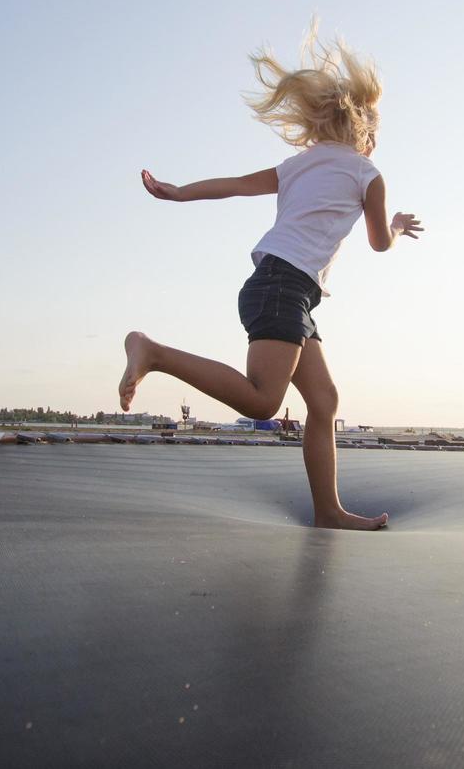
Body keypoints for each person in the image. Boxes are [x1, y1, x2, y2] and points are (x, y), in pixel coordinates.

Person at [119, 28, 423, 530]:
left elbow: (236, 186)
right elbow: (378, 243)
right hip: (284, 287)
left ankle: (328, 510)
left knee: (323, 400)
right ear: (364, 130)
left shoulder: (300, 163)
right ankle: (153, 352)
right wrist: (392, 226)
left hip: (283, 289)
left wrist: (179, 193)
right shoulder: (368, 174)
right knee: (263, 400)